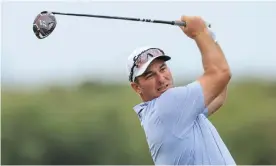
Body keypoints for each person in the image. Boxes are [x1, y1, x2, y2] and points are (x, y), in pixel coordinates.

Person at [126, 16, 236, 165]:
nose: (161, 78)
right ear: (136, 87)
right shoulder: (168, 105)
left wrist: (209, 38)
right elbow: (220, 74)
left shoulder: (177, 111)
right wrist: (199, 34)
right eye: (150, 75)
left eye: (163, 69)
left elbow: (219, 93)